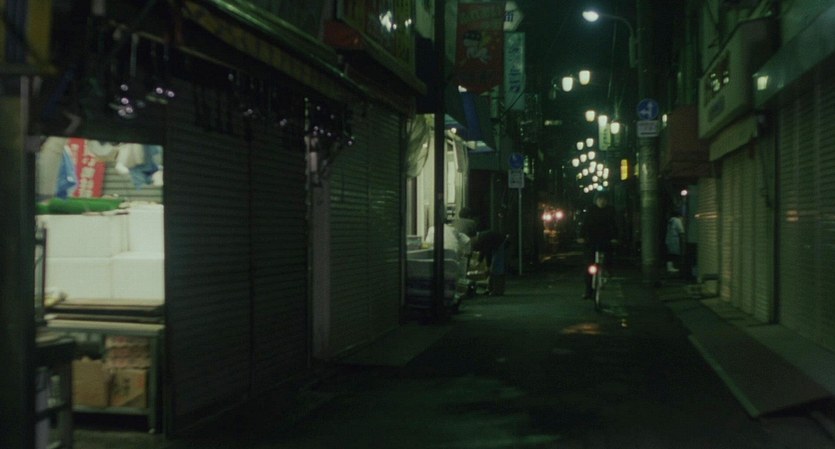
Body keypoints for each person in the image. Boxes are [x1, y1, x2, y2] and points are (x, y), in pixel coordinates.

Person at [577, 191, 618, 299]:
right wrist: (581, 237)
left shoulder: (610, 210)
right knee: (589, 265)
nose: (602, 201)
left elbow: (614, 225)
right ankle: (588, 291)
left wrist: (615, 237)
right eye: (600, 199)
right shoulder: (591, 210)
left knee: (608, 257)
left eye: (604, 199)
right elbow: (585, 224)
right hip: (591, 240)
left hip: (606, 239)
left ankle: (607, 270)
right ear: (596, 200)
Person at [472, 230, 509, 296]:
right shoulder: (481, 237)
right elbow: (483, 250)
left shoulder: (482, 239)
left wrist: (488, 266)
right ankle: (491, 289)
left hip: (500, 244)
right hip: (499, 244)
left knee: (496, 269)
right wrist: (479, 261)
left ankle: (497, 291)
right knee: (495, 268)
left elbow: (487, 252)